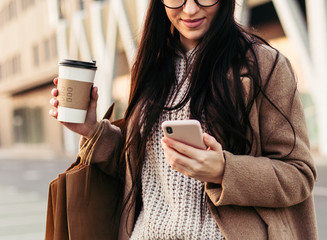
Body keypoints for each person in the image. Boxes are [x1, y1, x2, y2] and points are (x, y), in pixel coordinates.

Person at [50, 0, 318, 239]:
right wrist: (92, 130)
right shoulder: (150, 66)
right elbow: (142, 170)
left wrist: (223, 171)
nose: (190, 9)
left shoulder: (264, 65)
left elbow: (298, 175)